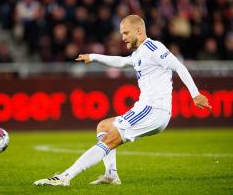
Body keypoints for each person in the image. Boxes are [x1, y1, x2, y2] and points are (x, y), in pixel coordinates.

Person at [34, 14, 212, 186]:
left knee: (108, 140)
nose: (123, 37)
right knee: (104, 126)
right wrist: (93, 57)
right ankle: (111, 175)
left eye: (126, 33)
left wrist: (195, 94)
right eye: (121, 34)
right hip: (147, 109)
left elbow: (178, 66)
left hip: (153, 110)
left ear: (139, 31)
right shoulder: (140, 53)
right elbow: (121, 62)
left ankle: (65, 177)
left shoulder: (154, 48)